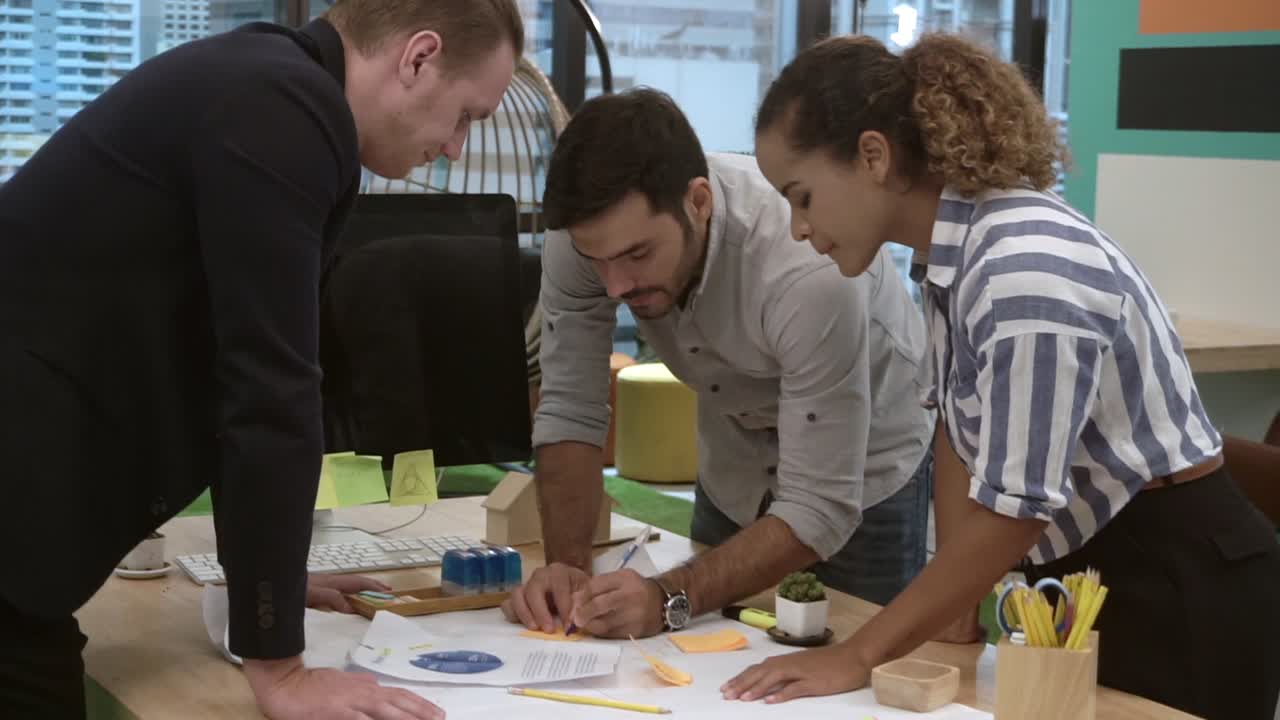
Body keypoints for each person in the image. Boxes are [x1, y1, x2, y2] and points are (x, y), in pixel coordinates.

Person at [721, 32, 1280, 720]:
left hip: (1175, 579)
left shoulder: (1021, 270)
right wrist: (951, 599)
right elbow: (958, 429)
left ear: (872, 156)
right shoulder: (951, 256)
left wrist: (860, 653)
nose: (798, 228)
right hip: (1093, 564)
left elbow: (1015, 512)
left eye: (802, 197)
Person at [0, 1, 522, 717]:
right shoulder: (285, 109)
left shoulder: (266, 81)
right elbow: (268, 391)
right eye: (467, 115)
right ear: (418, 58)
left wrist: (265, 580)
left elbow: (224, 365)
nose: (459, 146)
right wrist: (280, 665)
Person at [501, 88, 935, 640]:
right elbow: (570, 409)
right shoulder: (588, 239)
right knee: (713, 657)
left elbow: (820, 505)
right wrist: (567, 567)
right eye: (598, 261)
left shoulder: (805, 270)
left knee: (858, 666)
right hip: (736, 463)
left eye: (638, 255)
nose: (616, 285)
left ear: (698, 201)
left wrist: (666, 598)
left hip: (868, 471)